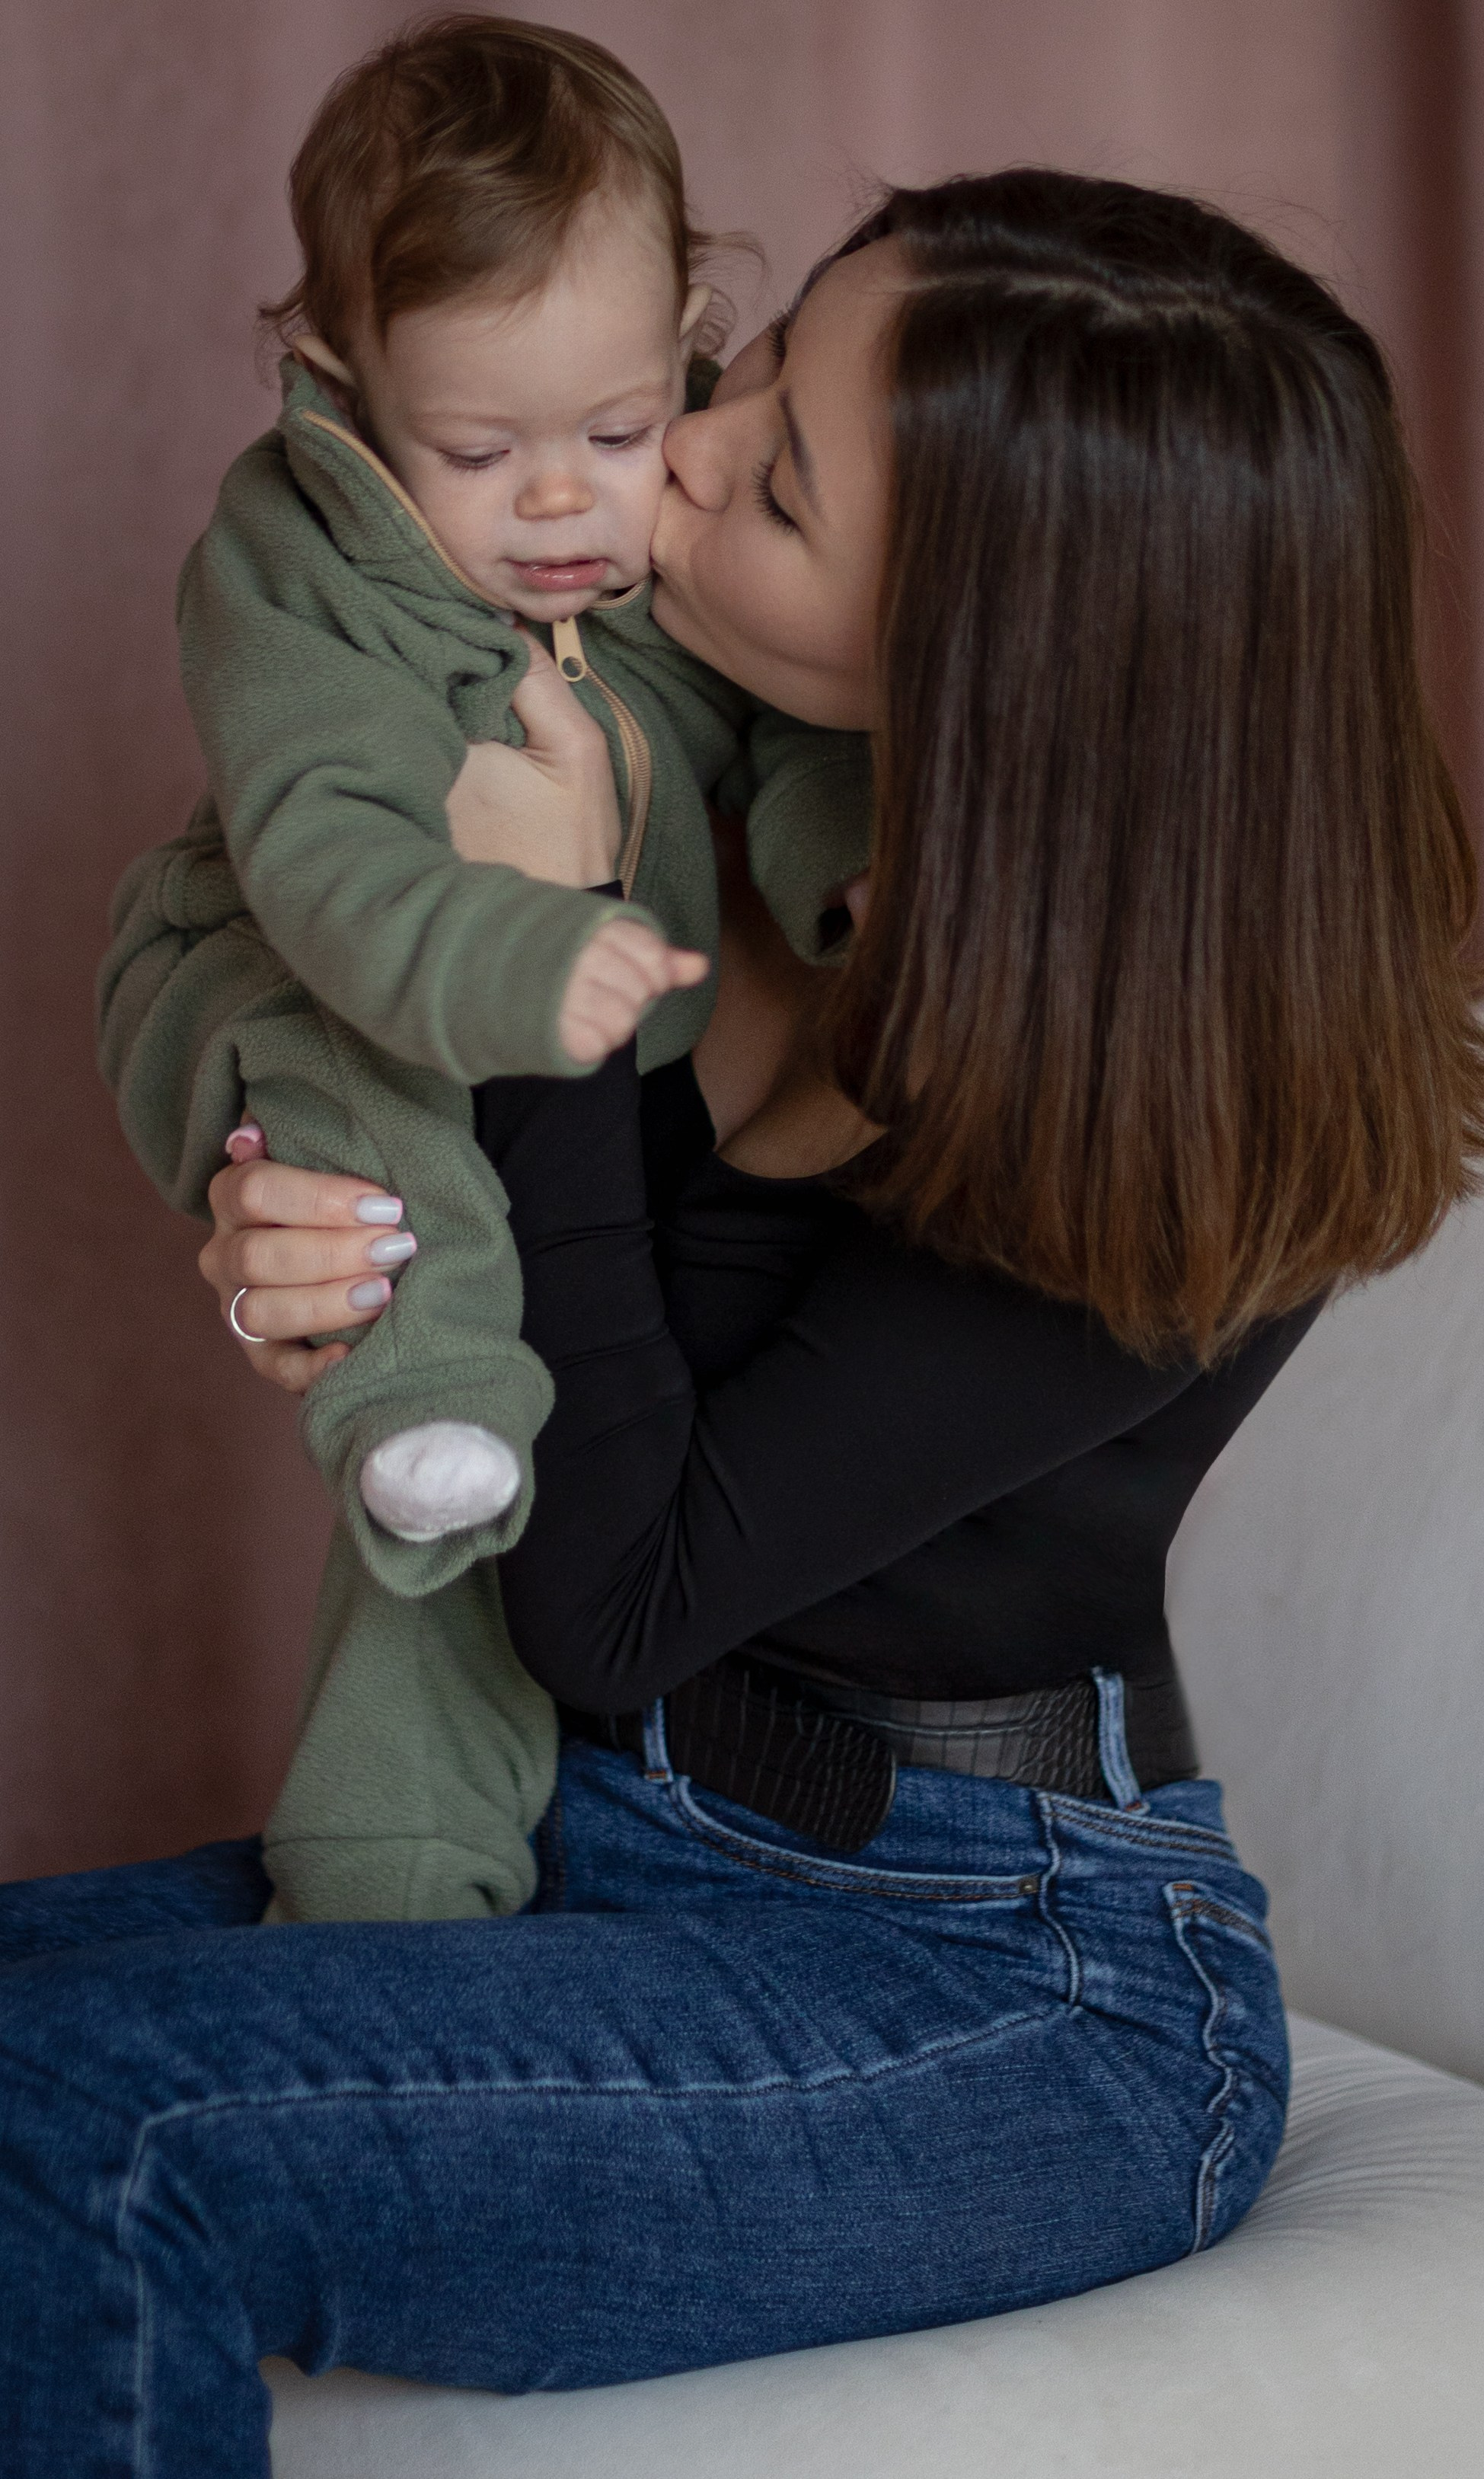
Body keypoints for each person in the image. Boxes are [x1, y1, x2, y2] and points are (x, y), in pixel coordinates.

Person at [2, 171, 1484, 2473]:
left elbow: (608, 1591)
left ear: (991, 665)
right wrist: (295, 1225)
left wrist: (523, 990)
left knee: (87, 2123)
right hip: (606, 1824)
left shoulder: (1165, 1136)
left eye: (780, 484)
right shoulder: (685, 773)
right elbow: (254, 974)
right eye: (753, 364)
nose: (678, 452)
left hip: (996, 1982)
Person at [97, 13, 871, 1922]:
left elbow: (800, 756)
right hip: (287, 963)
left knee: (466, 1483)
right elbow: (328, 855)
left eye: (617, 431)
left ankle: (387, 1863)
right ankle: (425, 1394)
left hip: (528, 1038)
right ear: (334, 375)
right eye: (477, 448)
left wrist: (858, 893)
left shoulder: (666, 558)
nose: (563, 506)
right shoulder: (300, 568)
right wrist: (525, 957)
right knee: (418, 1259)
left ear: (686, 321)